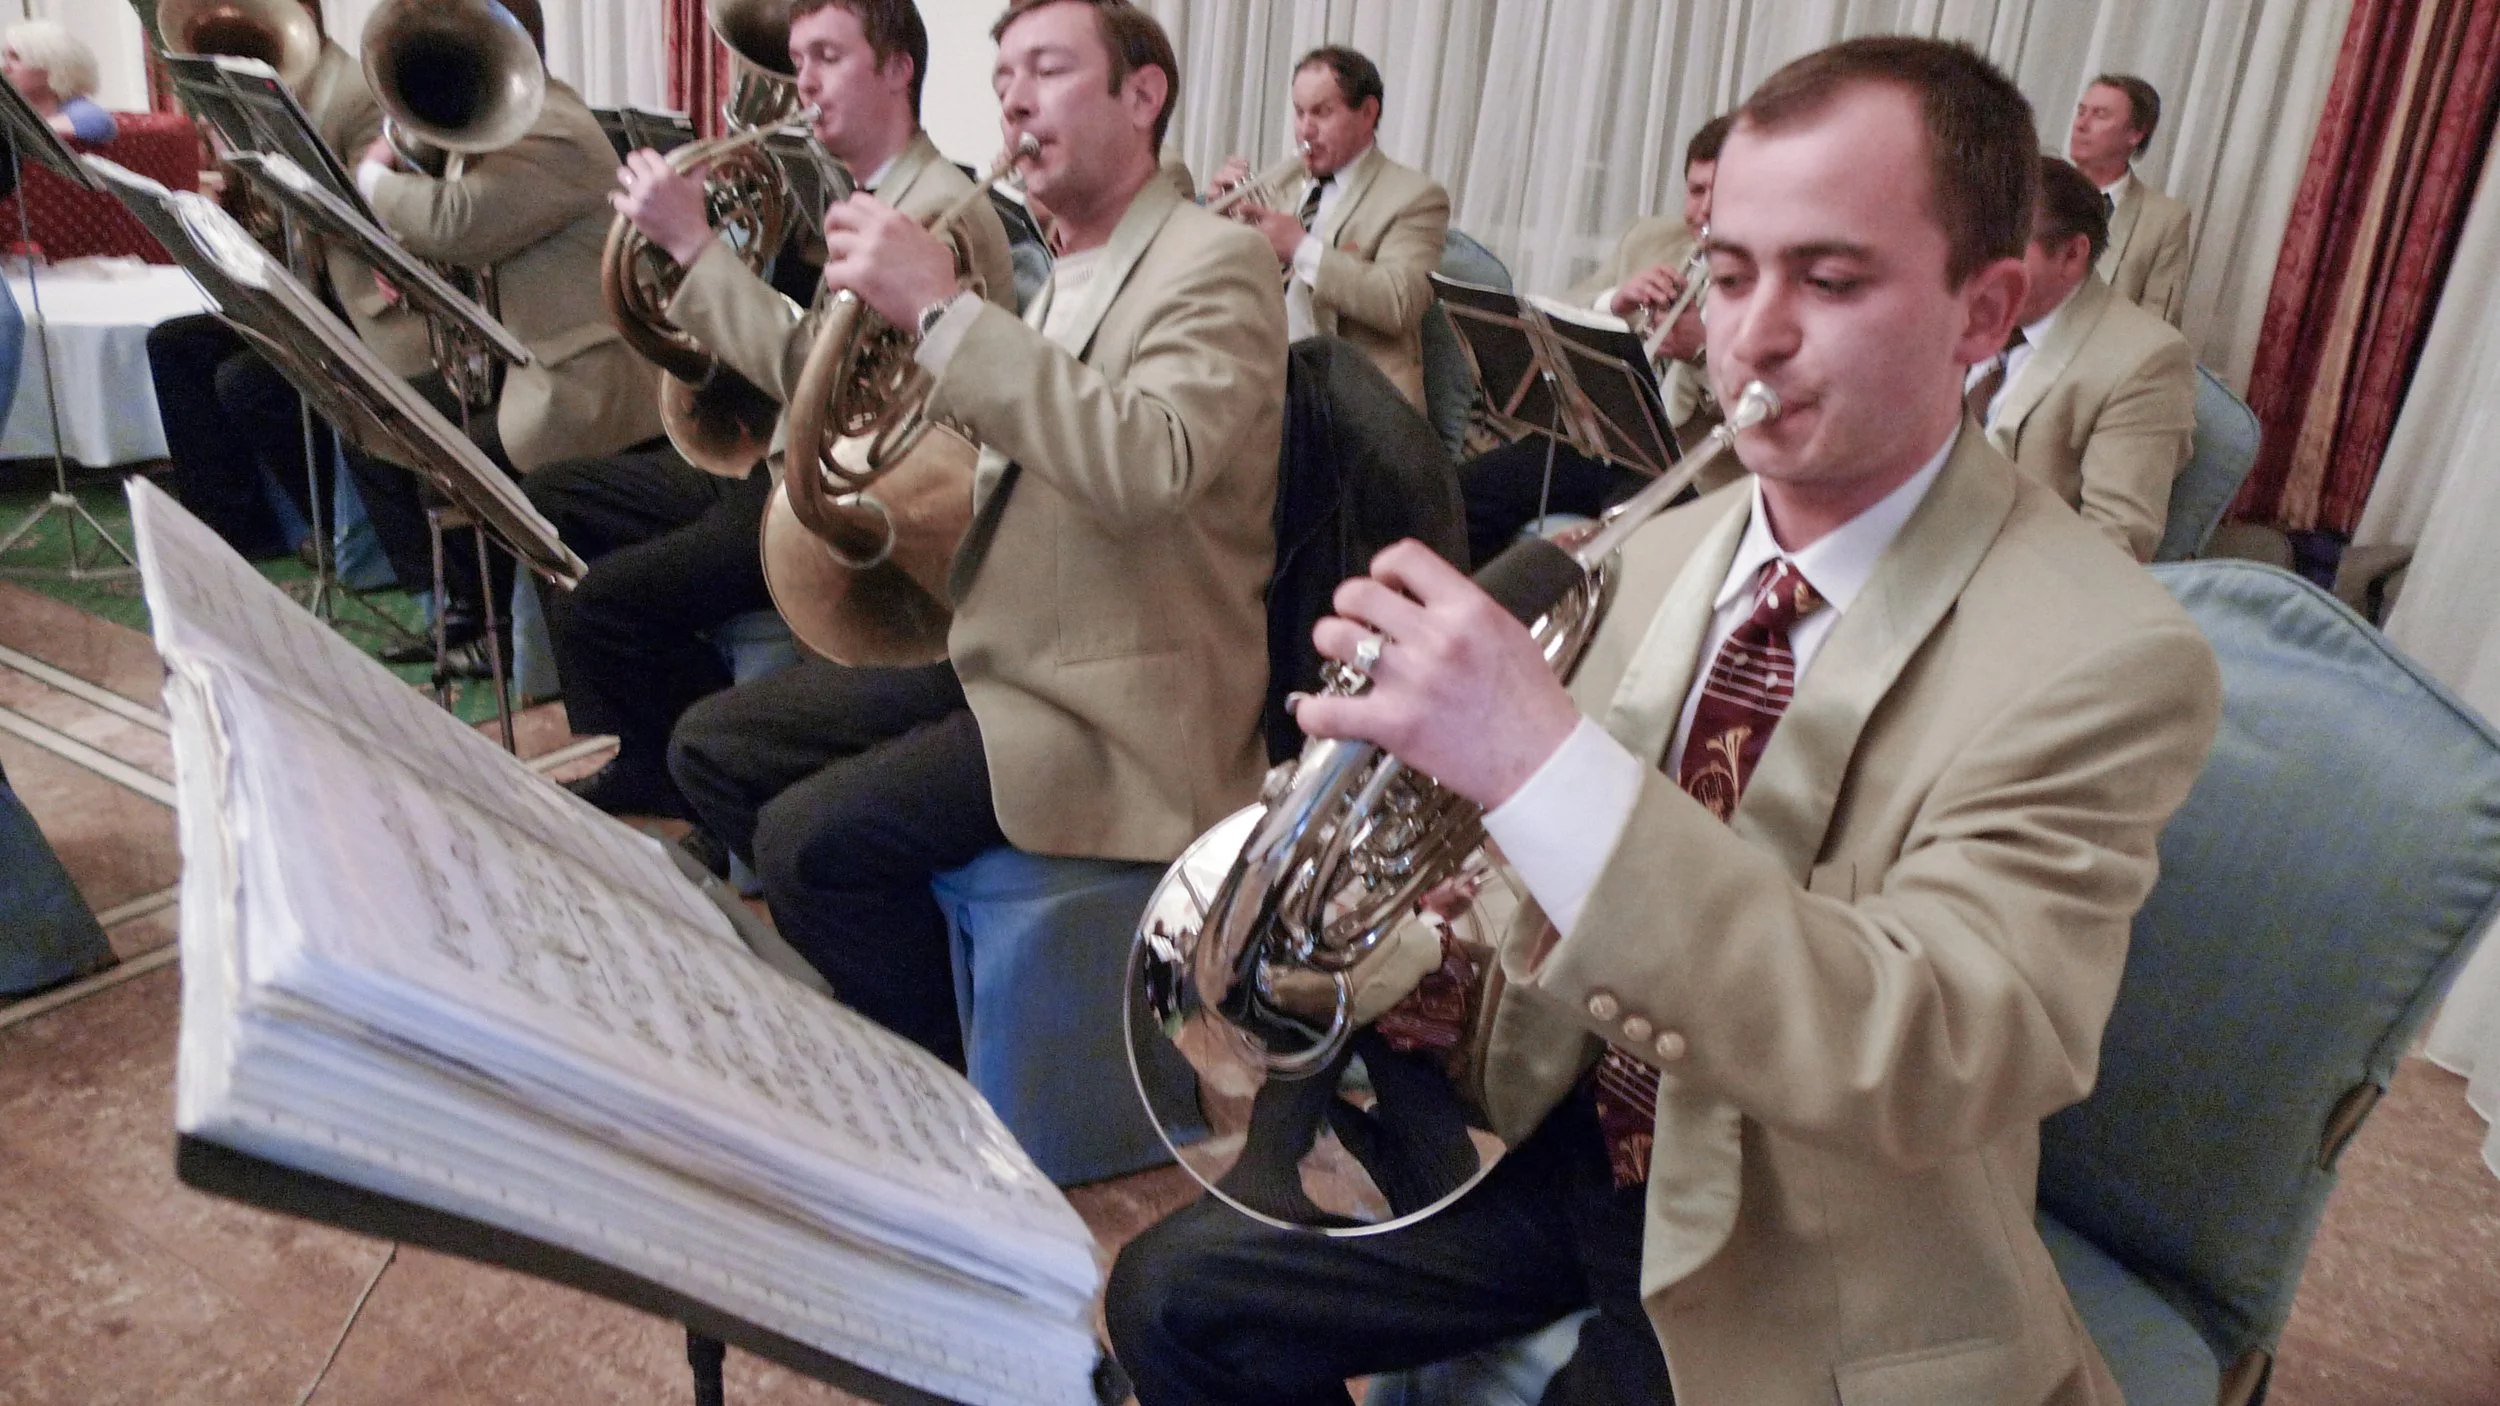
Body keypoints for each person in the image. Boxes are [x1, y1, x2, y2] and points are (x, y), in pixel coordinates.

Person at [1107, 36, 2222, 1405]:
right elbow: (1539, 881)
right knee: (1171, 1300)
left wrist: (1535, 760)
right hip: (1575, 1128)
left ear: (1982, 314)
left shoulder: (2106, 655)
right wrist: (1433, 916)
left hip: (1804, 1225)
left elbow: (1939, 1049)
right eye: (1732, 272)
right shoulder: (1655, 547)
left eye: (1829, 279)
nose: (1754, 333)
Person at [668, 0, 1283, 1069]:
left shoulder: (1214, 261)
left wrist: (942, 314)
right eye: (1004, 80)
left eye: (1047, 71)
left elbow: (1149, 464)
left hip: (1118, 708)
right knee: (715, 749)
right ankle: (890, 1009)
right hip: (1015, 651)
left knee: (808, 848)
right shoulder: (1071, 260)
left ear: (1143, 95)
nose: (1014, 102)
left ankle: (943, 1076)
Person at [538, 0, 1015, 819]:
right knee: (562, 504)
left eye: (828, 57)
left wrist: (694, 249)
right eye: (799, 62)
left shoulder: (935, 213)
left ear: (898, 70)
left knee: (602, 603)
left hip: (866, 504)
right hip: (794, 465)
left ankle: (673, 769)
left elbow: (832, 383)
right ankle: (662, 748)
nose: (804, 84)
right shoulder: (874, 192)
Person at [346, 13, 664, 663]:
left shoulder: (555, 130)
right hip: (520, 359)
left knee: (451, 459)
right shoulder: (495, 123)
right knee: (385, 422)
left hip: (590, 376)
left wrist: (372, 177)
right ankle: (463, 613)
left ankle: (487, 633)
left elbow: (455, 221)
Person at [146, 11, 436, 562]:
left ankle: (339, 531)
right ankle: (237, 535)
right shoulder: (264, 91)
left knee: (246, 381)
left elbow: (375, 218)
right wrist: (224, 203)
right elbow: (273, 231)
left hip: (360, 303)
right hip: (306, 290)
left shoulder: (351, 95)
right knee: (175, 345)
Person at [1457, 115, 1730, 567]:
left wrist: (1701, 353)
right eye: (1696, 190)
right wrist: (1615, 302)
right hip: (1610, 444)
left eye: (1720, 193)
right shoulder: (1650, 239)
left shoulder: (1772, 274)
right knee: (1460, 496)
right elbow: (1553, 312)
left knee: (1618, 547)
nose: (1704, 211)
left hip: (1693, 469)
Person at [1970, 156, 2196, 562]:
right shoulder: (1963, 306)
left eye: (2005, 248)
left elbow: (2112, 549)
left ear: (2072, 255)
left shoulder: (2146, 361)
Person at [1210, 46, 1448, 409]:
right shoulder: (1285, 186)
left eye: (1322, 112)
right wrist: (1222, 223)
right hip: (1267, 384)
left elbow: (1400, 303)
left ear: (1368, 113)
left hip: (1357, 405)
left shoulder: (1416, 196)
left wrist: (1300, 247)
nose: (1305, 129)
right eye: (1299, 112)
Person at [2070, 73, 2191, 325]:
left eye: (2100, 114)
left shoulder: (2165, 219)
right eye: (2081, 111)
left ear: (2136, 133)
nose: (2081, 124)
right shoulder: (2034, 189)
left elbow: (2158, 324)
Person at [2, 22, 116, 145]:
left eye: (16, 57)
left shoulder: (80, 109)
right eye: (4, 58)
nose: (4, 68)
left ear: (53, 67)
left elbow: (98, 122)